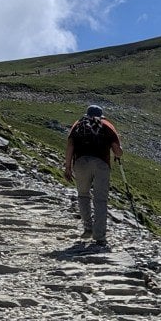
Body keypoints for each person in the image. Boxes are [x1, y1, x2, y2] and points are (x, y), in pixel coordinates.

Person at [63, 104, 122, 248]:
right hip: (101, 164)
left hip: (81, 162)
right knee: (100, 200)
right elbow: (118, 152)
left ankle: (88, 228)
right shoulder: (107, 125)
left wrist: (68, 167)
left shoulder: (78, 125)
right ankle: (99, 236)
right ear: (101, 115)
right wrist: (118, 152)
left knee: (83, 195)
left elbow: (70, 145)